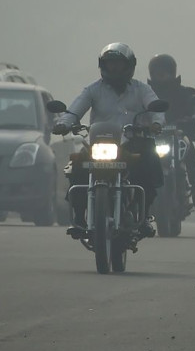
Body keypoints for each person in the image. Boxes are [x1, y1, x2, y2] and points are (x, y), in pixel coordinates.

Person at [53, 43, 164, 238]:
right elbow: (74, 110)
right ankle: (79, 217)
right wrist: (63, 123)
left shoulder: (142, 89)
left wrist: (156, 123)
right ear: (103, 65)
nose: (114, 68)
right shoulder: (93, 90)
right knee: (77, 167)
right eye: (110, 64)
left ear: (129, 65)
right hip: (99, 144)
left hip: (133, 143)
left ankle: (144, 215)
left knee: (150, 163)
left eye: (119, 64)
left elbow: (156, 109)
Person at [147, 54, 195, 215]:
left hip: (178, 135)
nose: (161, 76)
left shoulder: (186, 93)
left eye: (164, 72)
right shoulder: (145, 94)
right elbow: (132, 110)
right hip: (152, 137)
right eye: (157, 73)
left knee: (190, 152)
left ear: (172, 73)